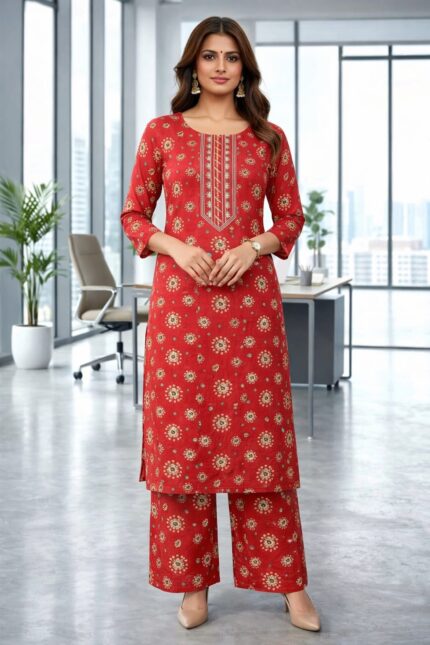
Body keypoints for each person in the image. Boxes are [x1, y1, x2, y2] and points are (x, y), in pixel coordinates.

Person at [120, 15, 321, 633]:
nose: (220, 66)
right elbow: (133, 214)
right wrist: (175, 246)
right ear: (192, 65)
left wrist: (254, 246)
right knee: (185, 442)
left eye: (231, 57)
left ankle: (289, 584)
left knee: (261, 442)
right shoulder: (161, 133)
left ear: (244, 69)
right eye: (209, 56)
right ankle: (193, 583)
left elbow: (290, 218)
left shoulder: (268, 138)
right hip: (181, 309)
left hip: (250, 311)